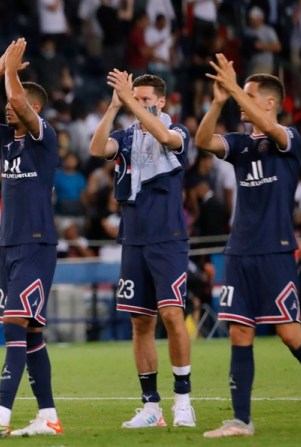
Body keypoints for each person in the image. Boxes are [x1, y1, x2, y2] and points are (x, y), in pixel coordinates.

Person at [195, 53, 301, 438]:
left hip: (275, 250)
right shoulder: (241, 145)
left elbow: (268, 128)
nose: (241, 102)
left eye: (249, 95)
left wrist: (233, 88)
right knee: (239, 333)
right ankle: (241, 420)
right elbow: (202, 140)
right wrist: (218, 101)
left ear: (269, 102)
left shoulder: (289, 138)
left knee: (290, 333)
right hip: (239, 251)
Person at [0, 38, 62, 438]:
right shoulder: (6, 141)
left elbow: (17, 100)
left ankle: (3, 411)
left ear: (35, 109)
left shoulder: (43, 137)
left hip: (35, 243)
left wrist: (11, 74)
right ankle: (48, 416)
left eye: (15, 103)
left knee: (15, 325)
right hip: (8, 245)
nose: (7, 106)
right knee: (31, 333)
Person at [88, 71, 195, 428]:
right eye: (137, 99)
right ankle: (151, 407)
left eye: (146, 99)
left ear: (162, 101)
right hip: (133, 238)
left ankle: (183, 400)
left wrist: (131, 103)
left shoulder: (178, 130)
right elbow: (96, 149)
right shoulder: (125, 136)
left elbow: (164, 136)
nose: (140, 105)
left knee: (172, 315)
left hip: (167, 237)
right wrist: (113, 107)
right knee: (140, 321)